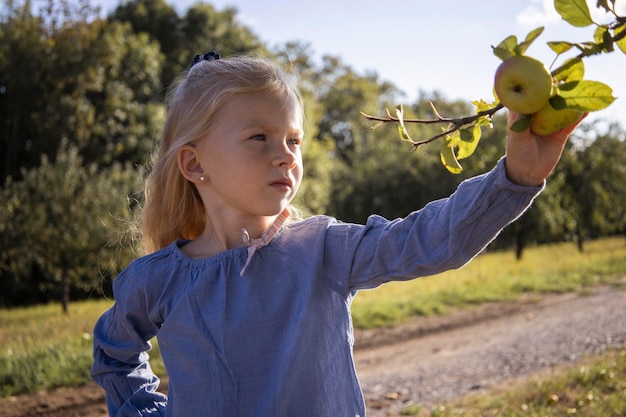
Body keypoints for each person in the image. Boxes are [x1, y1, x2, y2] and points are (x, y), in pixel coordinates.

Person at [91, 50, 584, 417]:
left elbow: (429, 241)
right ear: (195, 164)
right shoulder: (155, 281)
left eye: (293, 140)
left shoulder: (321, 249)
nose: (286, 154)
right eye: (259, 137)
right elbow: (115, 356)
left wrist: (515, 177)